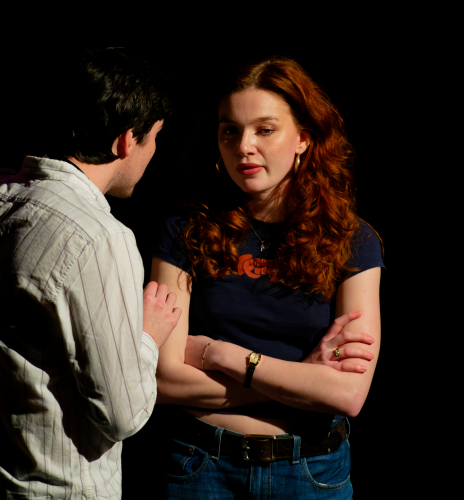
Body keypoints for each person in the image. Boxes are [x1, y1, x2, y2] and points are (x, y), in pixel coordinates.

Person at [0, 48, 181, 499]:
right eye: (154, 138)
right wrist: (148, 336)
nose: (154, 153)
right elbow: (123, 414)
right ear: (126, 141)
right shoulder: (98, 236)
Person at [150, 56, 384, 498]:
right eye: (230, 131)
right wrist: (302, 381)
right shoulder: (184, 231)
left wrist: (223, 355)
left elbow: (348, 394)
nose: (244, 146)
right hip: (201, 467)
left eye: (265, 129)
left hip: (312, 472)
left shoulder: (352, 240)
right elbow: (163, 380)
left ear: (303, 139)